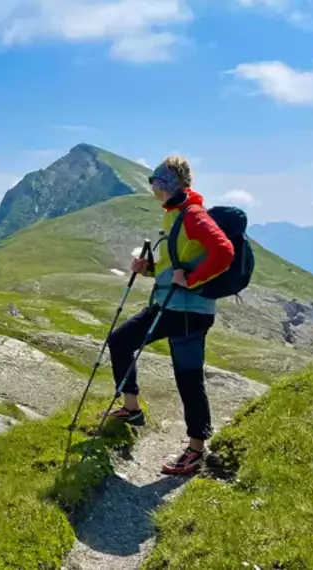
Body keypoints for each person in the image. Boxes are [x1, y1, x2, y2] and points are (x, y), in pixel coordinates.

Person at [107, 155, 235, 475]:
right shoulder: (176, 215)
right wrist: (148, 269)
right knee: (121, 340)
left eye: (154, 182)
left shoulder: (192, 215)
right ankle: (132, 410)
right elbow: (175, 266)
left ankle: (196, 449)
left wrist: (191, 281)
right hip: (171, 306)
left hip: (188, 311)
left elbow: (224, 252)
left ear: (164, 185)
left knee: (188, 378)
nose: (152, 187)